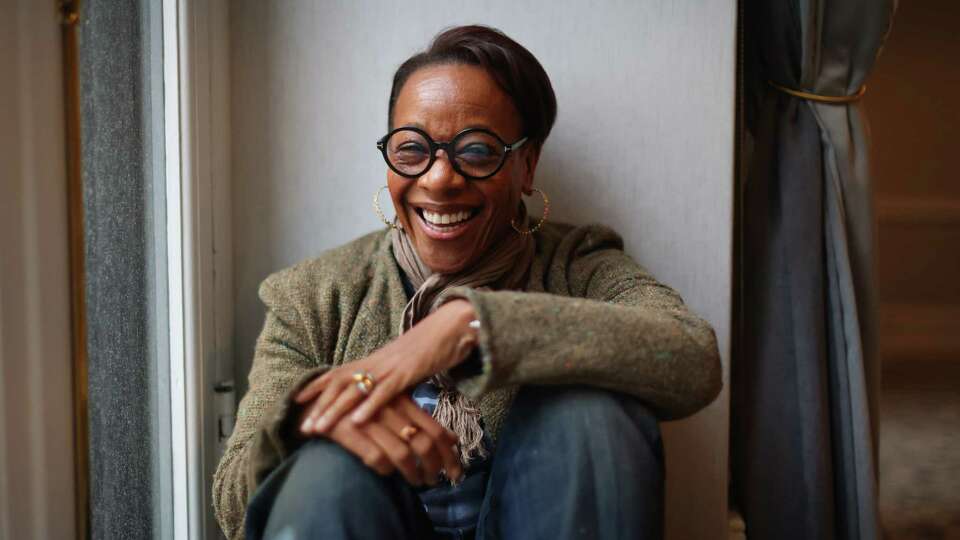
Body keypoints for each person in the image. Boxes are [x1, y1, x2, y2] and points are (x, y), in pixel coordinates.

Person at [213, 24, 722, 540]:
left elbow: (692, 356)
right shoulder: (316, 296)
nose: (439, 179)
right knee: (323, 462)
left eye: (476, 151)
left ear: (527, 165)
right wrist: (311, 420)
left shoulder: (577, 266)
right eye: (412, 149)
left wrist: (472, 325)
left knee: (588, 411)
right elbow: (233, 503)